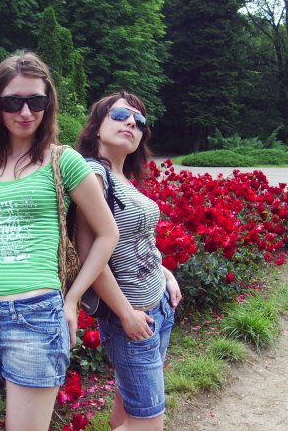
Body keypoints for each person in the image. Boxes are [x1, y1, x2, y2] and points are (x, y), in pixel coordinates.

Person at [0, 52, 119, 431]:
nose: (25, 112)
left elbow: (108, 233)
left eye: (36, 101)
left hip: (35, 317)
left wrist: (71, 298)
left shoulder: (63, 161)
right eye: (13, 102)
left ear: (47, 104)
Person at [75, 91, 182, 431]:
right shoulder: (93, 174)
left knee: (127, 409)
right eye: (120, 115)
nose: (132, 123)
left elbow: (137, 242)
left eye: (139, 121)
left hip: (158, 308)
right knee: (149, 424)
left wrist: (166, 274)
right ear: (96, 127)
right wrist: (125, 314)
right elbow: (88, 255)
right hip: (131, 317)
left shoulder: (124, 180)